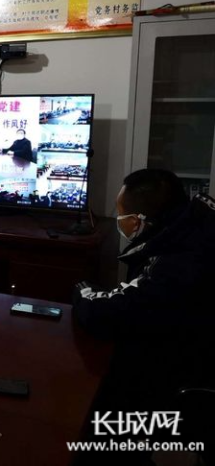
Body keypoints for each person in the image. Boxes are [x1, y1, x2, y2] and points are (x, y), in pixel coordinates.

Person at [72, 169, 215, 465]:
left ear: (141, 220)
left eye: (122, 216)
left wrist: (82, 289)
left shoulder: (181, 260)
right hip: (183, 352)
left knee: (86, 413)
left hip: (175, 378)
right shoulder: (191, 228)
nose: (119, 222)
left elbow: (106, 314)